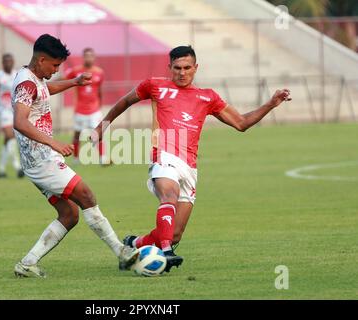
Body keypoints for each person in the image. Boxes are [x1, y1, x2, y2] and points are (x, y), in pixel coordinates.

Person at [92, 45, 292, 272]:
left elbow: (241, 123)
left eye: (187, 67)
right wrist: (102, 126)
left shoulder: (207, 97)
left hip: (189, 166)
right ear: (169, 67)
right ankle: (166, 252)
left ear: (196, 68)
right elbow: (125, 101)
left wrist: (271, 104)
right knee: (169, 195)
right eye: (177, 68)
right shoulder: (155, 86)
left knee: (174, 233)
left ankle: (133, 244)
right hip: (163, 155)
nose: (182, 72)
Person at [11, 34, 138, 278]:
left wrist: (75, 82)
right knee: (87, 195)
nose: (57, 70)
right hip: (42, 160)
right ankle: (122, 252)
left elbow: (45, 90)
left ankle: (27, 263)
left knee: (69, 215)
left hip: (39, 160)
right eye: (55, 65)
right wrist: (54, 143)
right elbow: (19, 121)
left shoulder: (33, 79)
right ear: (42, 59)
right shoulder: (26, 83)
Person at [63, 48, 109, 165]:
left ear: (94, 58)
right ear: (83, 57)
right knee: (77, 135)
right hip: (80, 110)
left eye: (91, 56)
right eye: (86, 56)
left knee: (98, 134)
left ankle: (102, 158)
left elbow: (99, 91)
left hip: (94, 110)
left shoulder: (99, 72)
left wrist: (100, 106)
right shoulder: (76, 71)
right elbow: (64, 80)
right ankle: (76, 158)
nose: (88, 58)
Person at [0, 53, 23, 179]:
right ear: (2, 63)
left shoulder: (18, 74)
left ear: (13, 62)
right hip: (4, 112)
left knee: (8, 140)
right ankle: (18, 167)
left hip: (16, 110)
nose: (8, 63)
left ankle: (1, 169)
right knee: (9, 135)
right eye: (6, 61)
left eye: (10, 61)